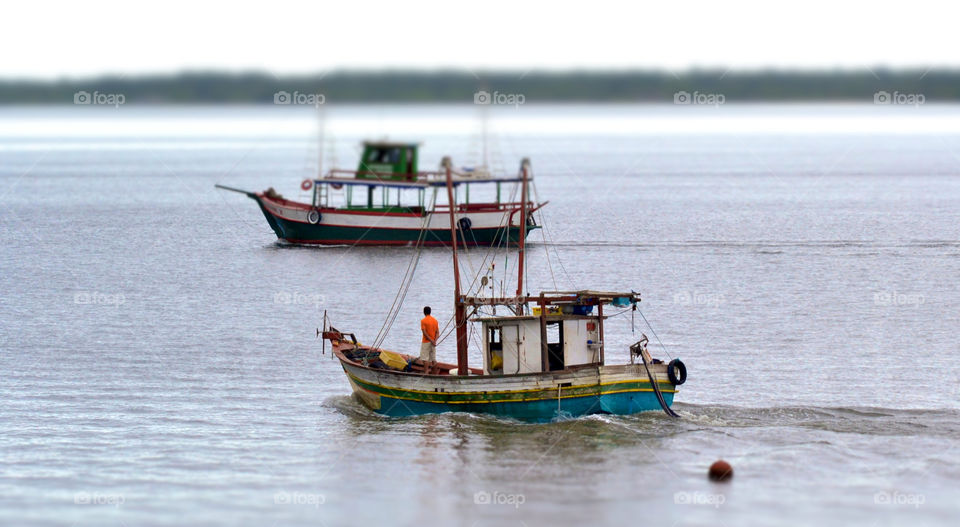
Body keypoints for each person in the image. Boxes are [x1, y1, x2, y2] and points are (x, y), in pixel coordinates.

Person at [419, 306, 438, 373]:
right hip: (433, 342)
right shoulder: (435, 320)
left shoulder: (423, 321)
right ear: (430, 312)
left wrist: (431, 340)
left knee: (425, 359)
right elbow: (437, 332)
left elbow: (424, 333)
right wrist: (434, 341)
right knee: (433, 359)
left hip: (426, 342)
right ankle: (435, 374)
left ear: (424, 312)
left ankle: (426, 373)